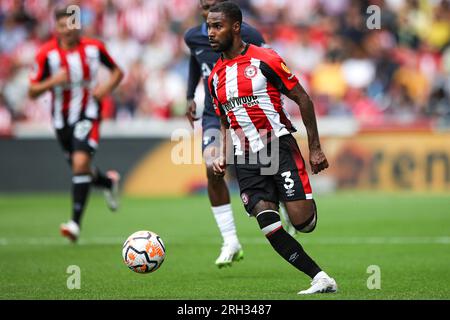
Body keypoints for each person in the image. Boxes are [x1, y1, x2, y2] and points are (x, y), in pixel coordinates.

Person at [207, 1, 337, 294]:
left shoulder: (265, 59)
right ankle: (320, 277)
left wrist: (315, 148)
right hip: (246, 157)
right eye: (209, 27)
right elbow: (226, 121)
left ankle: (291, 200)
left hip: (278, 147)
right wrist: (223, 154)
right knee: (267, 222)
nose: (211, 33)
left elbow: (303, 98)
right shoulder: (215, 77)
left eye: (217, 26)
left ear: (236, 27)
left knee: (304, 223)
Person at [28, 6, 124, 242]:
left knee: (80, 164)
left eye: (72, 24)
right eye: (63, 25)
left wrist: (105, 88)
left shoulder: (94, 48)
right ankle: (108, 182)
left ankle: (74, 224)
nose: (68, 29)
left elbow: (117, 72)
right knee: (81, 170)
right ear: (56, 28)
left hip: (88, 114)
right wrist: (53, 81)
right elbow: (32, 91)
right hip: (61, 121)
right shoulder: (45, 54)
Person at [184, 0, 266, 267]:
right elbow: (196, 63)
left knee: (266, 170)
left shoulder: (250, 34)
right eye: (204, 6)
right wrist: (189, 96)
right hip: (213, 114)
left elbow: (268, 67)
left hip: (247, 113)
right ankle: (230, 240)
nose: (208, 11)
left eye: (213, 6)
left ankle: (286, 208)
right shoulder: (193, 37)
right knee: (213, 167)